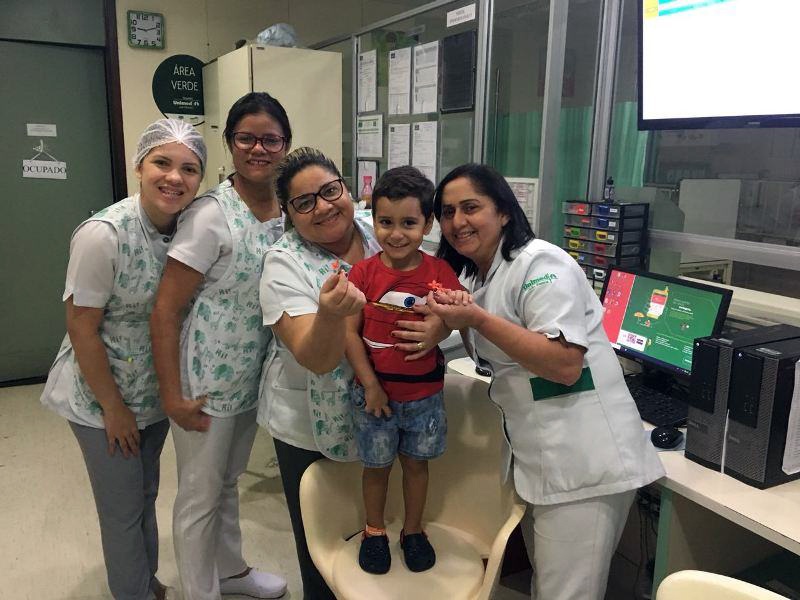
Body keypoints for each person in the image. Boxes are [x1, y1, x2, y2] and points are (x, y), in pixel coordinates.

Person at [426, 163, 665, 600]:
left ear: (503, 212)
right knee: (549, 585)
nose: (457, 221)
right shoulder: (476, 276)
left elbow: (563, 363)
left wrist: (474, 319)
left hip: (584, 465)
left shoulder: (542, 263)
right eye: (446, 211)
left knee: (565, 594)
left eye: (470, 207)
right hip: (543, 459)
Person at [259, 149, 450, 599]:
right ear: (287, 213)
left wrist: (440, 322)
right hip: (311, 426)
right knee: (326, 555)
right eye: (304, 202)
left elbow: (436, 293)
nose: (324, 206)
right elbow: (318, 357)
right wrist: (331, 315)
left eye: (330, 191)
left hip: (395, 406)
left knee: (379, 563)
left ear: (347, 189)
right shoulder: (282, 263)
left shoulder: (381, 227)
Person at [40, 119, 206, 600]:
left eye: (189, 169)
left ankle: (144, 582)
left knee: (145, 495)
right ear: (139, 166)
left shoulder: (186, 231)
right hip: (100, 398)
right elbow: (81, 327)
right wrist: (113, 409)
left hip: (152, 393)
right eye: (162, 162)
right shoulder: (103, 235)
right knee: (121, 508)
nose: (175, 177)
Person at [150, 92, 291, 600]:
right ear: (230, 143)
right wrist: (172, 394)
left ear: (285, 145)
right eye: (246, 138)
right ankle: (199, 591)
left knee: (228, 478)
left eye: (270, 139)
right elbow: (165, 311)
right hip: (203, 378)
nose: (259, 148)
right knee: (199, 494)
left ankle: (230, 572)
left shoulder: (285, 209)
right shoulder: (210, 214)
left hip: (252, 372)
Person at [344, 166, 468, 575]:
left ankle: (413, 531)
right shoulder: (362, 273)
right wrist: (370, 386)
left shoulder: (439, 273)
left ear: (428, 224)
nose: (396, 234)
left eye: (409, 223)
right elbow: (350, 334)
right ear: (373, 220)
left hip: (425, 396)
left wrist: (443, 323)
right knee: (375, 468)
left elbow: (461, 314)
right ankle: (374, 530)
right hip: (375, 396)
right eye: (385, 222)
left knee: (417, 465)